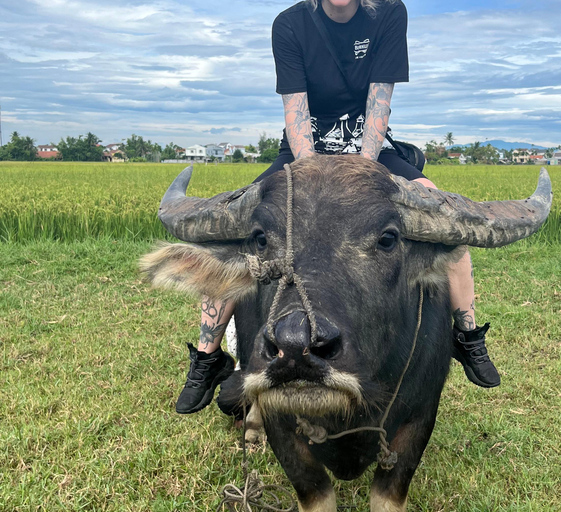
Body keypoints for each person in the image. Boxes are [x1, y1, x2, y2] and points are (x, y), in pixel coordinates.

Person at [175, 0, 500, 415]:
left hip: (370, 153)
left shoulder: (387, 13)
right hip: (302, 152)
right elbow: (296, 111)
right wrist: (311, 182)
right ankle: (208, 355)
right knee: (239, 224)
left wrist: (361, 182)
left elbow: (378, 103)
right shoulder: (290, 24)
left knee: (445, 216)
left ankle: (467, 334)